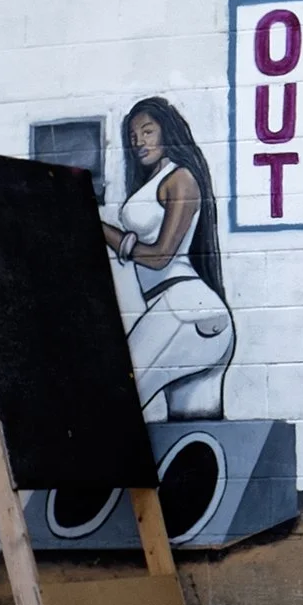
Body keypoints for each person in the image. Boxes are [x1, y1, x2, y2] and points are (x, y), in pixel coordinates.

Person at [100, 97, 234, 421]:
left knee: (113, 407)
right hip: (192, 316)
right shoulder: (157, 181)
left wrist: (101, 229)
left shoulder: (180, 179)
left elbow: (161, 257)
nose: (139, 143)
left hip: (183, 308)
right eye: (133, 137)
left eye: (148, 132)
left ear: (166, 131)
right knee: (192, 440)